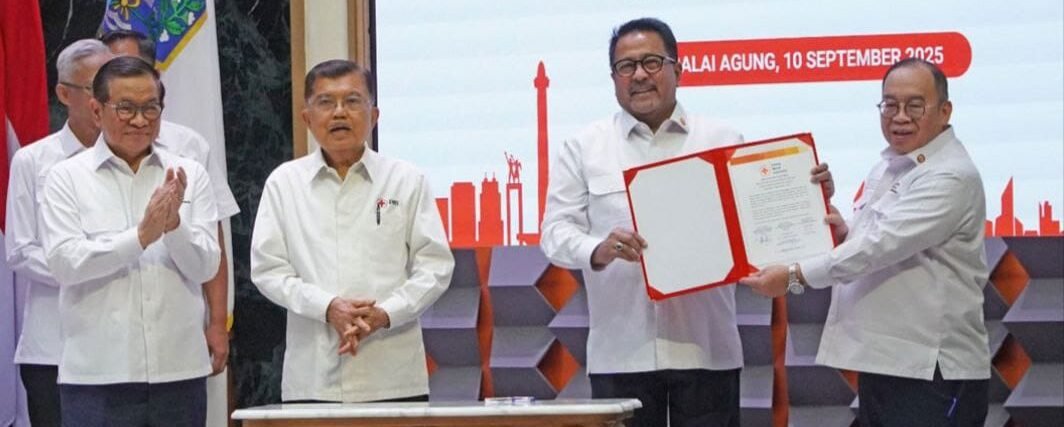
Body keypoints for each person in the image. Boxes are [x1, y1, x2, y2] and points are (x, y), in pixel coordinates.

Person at [540, 18, 833, 427]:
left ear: (678, 69)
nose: (639, 75)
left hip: (706, 349)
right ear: (613, 79)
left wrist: (808, 194)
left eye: (651, 62)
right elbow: (554, 233)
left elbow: (759, 229)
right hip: (621, 353)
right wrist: (598, 249)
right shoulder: (584, 147)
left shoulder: (723, 140)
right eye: (626, 66)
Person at [740, 58, 990, 427]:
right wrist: (839, 229)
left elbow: (879, 247)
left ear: (944, 111)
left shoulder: (951, 176)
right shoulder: (891, 165)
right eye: (890, 104)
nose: (899, 116)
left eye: (915, 105)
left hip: (933, 371)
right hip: (887, 363)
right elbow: (874, 239)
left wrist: (793, 276)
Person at [250, 59, 454, 402]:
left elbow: (436, 266)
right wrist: (327, 306)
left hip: (393, 376)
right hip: (313, 379)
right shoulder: (284, 184)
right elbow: (268, 270)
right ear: (307, 118)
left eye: (352, 101)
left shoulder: (406, 180)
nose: (339, 113)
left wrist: (385, 313)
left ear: (374, 115)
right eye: (326, 102)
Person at [39, 56, 220, 425]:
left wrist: (174, 227)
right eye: (125, 108)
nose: (140, 120)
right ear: (96, 110)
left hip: (178, 372)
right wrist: (139, 238)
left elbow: (206, 267)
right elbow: (64, 264)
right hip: (97, 376)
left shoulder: (189, 173)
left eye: (150, 108)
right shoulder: (65, 177)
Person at [102, 29, 239, 375]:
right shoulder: (69, 166)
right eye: (111, 68)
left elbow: (213, 241)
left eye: (132, 66)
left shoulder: (188, 148)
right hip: (97, 342)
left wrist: (217, 322)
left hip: (175, 337)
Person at [4, 39, 112, 427]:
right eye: (96, 88)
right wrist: (89, 267)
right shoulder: (33, 160)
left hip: (122, 350)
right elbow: (20, 250)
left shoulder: (136, 158)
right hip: (53, 347)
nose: (108, 100)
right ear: (64, 94)